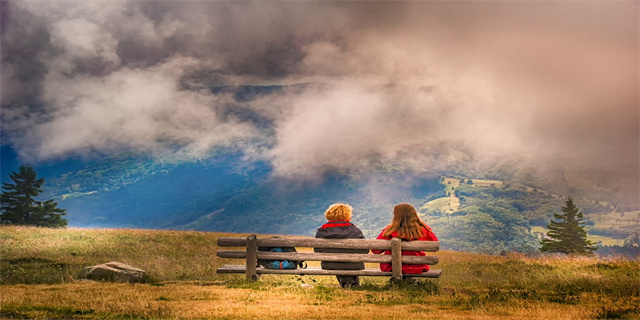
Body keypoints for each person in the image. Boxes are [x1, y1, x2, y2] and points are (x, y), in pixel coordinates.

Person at [372, 203, 438, 275]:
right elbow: (434, 245)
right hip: (418, 266)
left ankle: (397, 283)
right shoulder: (423, 230)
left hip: (391, 267)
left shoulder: (390, 231)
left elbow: (376, 250)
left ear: (396, 216)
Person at [315, 203, 368, 288]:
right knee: (349, 264)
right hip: (354, 264)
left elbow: (317, 251)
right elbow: (365, 250)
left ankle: (347, 284)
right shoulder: (355, 230)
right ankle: (352, 285)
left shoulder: (322, 231)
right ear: (347, 215)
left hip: (330, 265)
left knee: (340, 264)